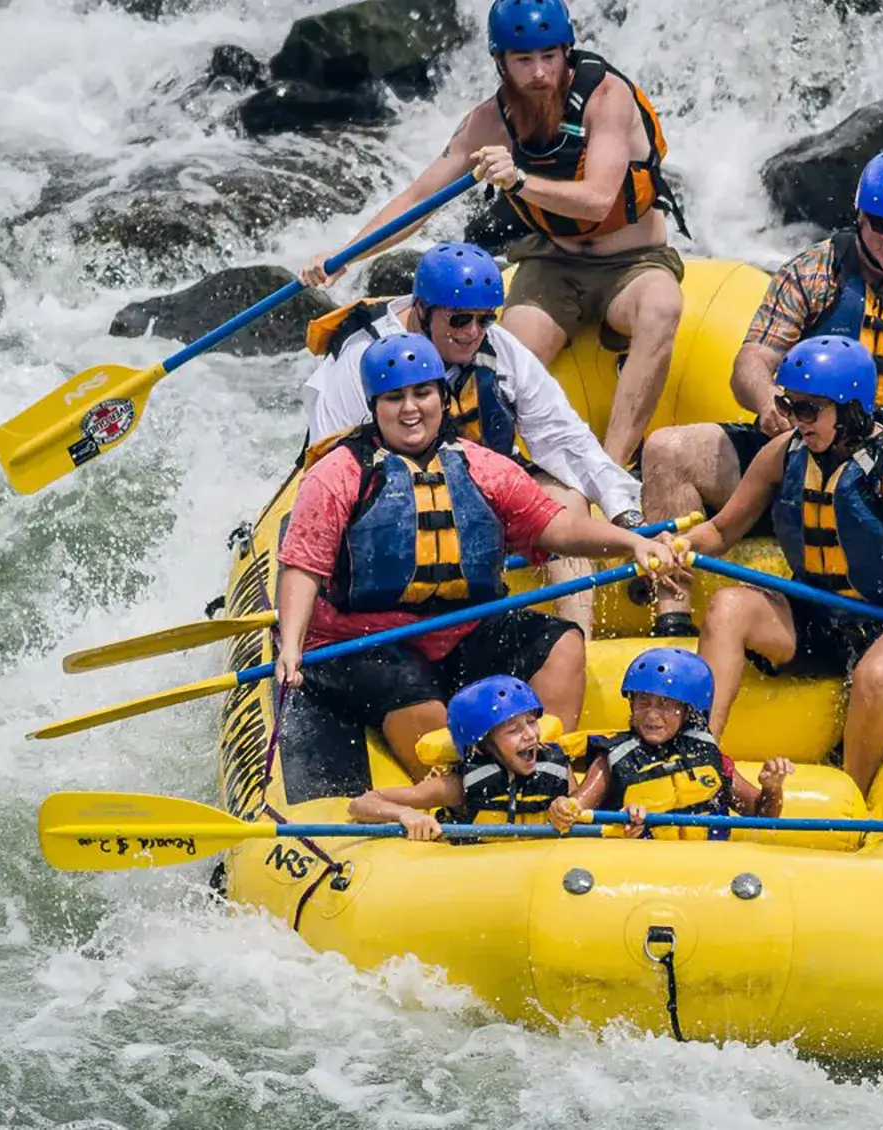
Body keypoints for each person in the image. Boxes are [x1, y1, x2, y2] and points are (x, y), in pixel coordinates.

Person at [637, 149, 883, 635]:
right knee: (668, 450)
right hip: (807, 444)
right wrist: (768, 405)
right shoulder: (813, 273)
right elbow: (752, 359)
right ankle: (672, 621)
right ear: (859, 215)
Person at [298, 0, 687, 469]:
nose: (540, 72)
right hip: (553, 263)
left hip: (635, 262)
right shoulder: (490, 122)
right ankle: (462, 472)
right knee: (497, 355)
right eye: (524, 60)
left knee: (662, 307)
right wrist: (346, 255)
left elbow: (600, 198)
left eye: (549, 56)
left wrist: (518, 180)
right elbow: (417, 200)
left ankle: (612, 468)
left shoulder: (607, 98)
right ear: (501, 63)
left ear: (567, 51)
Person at [274, 333, 676, 776]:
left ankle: (547, 771)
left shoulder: (480, 466)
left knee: (560, 642)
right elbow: (303, 566)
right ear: (374, 407)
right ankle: (458, 789)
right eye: (394, 397)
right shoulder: (339, 473)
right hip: (369, 640)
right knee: (415, 695)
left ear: (442, 399)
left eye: (422, 393)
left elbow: (554, 526)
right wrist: (291, 647)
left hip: (463, 630)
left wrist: (632, 541)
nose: (410, 409)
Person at [667, 337, 883, 796]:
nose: (795, 421)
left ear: (850, 409)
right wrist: (674, 547)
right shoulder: (786, 452)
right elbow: (720, 530)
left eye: (809, 410)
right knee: (727, 607)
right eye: (789, 406)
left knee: (877, 675)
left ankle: (853, 795)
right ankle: (699, 763)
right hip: (817, 615)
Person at [300, 241, 644, 636]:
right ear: (422, 311)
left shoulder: (497, 349)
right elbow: (331, 467)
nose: (474, 333)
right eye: (461, 319)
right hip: (387, 501)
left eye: (485, 319)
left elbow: (563, 437)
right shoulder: (365, 356)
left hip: (481, 488)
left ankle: (576, 641)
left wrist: (624, 512)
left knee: (566, 497)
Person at [570, 648, 793, 840]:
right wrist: (616, 824)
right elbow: (571, 817)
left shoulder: (707, 754)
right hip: (638, 870)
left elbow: (763, 817)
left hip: (705, 870)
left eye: (665, 704)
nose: (652, 715)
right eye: (643, 702)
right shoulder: (610, 759)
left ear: (687, 711)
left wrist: (771, 788)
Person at [347, 675, 585, 838]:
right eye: (513, 730)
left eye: (531, 722)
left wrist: (568, 808)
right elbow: (361, 804)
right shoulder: (457, 786)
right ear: (481, 746)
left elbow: (585, 810)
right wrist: (405, 814)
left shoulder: (556, 770)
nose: (529, 735)